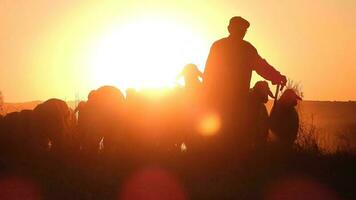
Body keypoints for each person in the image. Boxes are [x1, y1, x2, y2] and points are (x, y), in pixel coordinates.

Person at [203, 16, 287, 146]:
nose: (242, 32)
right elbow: (261, 66)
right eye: (240, 29)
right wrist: (276, 77)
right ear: (230, 29)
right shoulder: (245, 49)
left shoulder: (224, 47)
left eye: (244, 30)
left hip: (226, 98)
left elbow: (208, 71)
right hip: (232, 99)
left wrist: (276, 76)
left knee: (225, 133)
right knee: (238, 131)